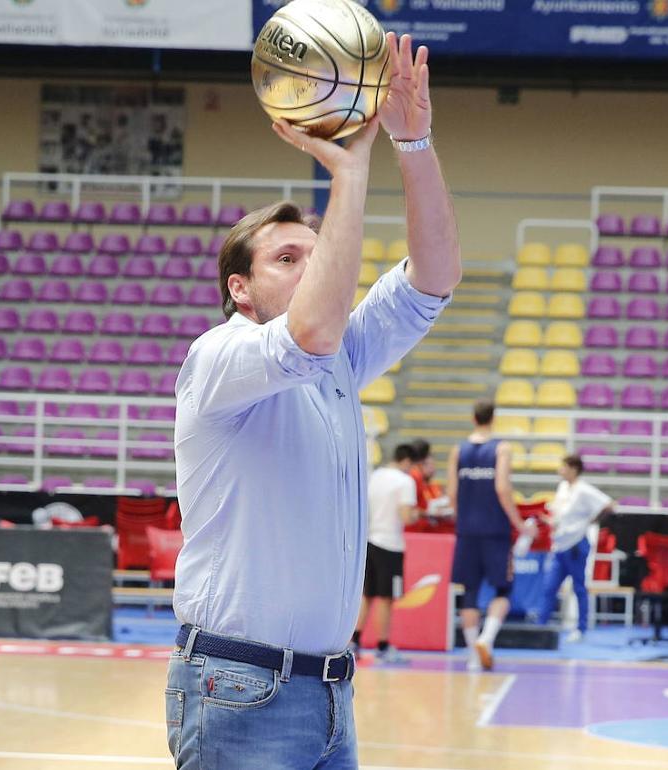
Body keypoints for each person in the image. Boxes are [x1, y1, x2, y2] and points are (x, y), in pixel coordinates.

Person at [167, 33, 459, 769]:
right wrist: (349, 172)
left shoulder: (338, 358)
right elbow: (312, 329)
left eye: (315, 252)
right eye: (286, 257)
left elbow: (436, 276)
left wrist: (413, 142)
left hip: (331, 690)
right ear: (239, 287)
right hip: (240, 685)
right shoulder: (221, 355)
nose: (309, 265)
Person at [447, 399, 527, 671]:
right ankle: (486, 639)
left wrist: (462, 519)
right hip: (495, 530)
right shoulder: (501, 448)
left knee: (469, 591)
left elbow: (452, 493)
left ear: (473, 418)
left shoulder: (458, 450)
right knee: (503, 589)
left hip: (467, 530)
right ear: (493, 418)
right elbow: (503, 488)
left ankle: (473, 654)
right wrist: (519, 523)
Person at [535, 454, 616, 642]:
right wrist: (550, 521)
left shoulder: (584, 490)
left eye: (563, 467)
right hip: (560, 545)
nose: (560, 470)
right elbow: (561, 514)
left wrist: (591, 521)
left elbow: (609, 505)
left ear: (573, 469)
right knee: (549, 587)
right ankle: (540, 627)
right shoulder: (563, 487)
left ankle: (581, 629)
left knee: (579, 587)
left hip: (576, 544)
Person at [352, 443, 419, 663]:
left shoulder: (376, 475)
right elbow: (407, 516)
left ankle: (354, 641)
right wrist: (420, 513)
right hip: (390, 545)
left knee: (367, 595)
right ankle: (382, 646)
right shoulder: (405, 481)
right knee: (385, 598)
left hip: (370, 540)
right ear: (407, 461)